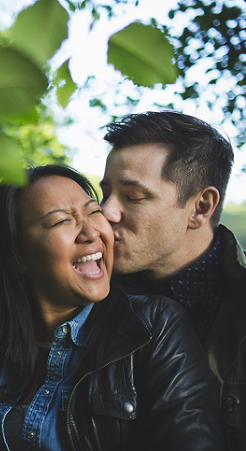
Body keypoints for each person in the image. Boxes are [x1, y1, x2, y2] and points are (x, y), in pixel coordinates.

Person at [0, 164, 222, 451]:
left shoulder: (153, 326)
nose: (91, 232)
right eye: (61, 221)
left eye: (94, 211)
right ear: (18, 254)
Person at [100, 111, 246, 450]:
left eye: (133, 197)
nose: (106, 212)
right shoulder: (82, 299)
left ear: (200, 207)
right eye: (105, 192)